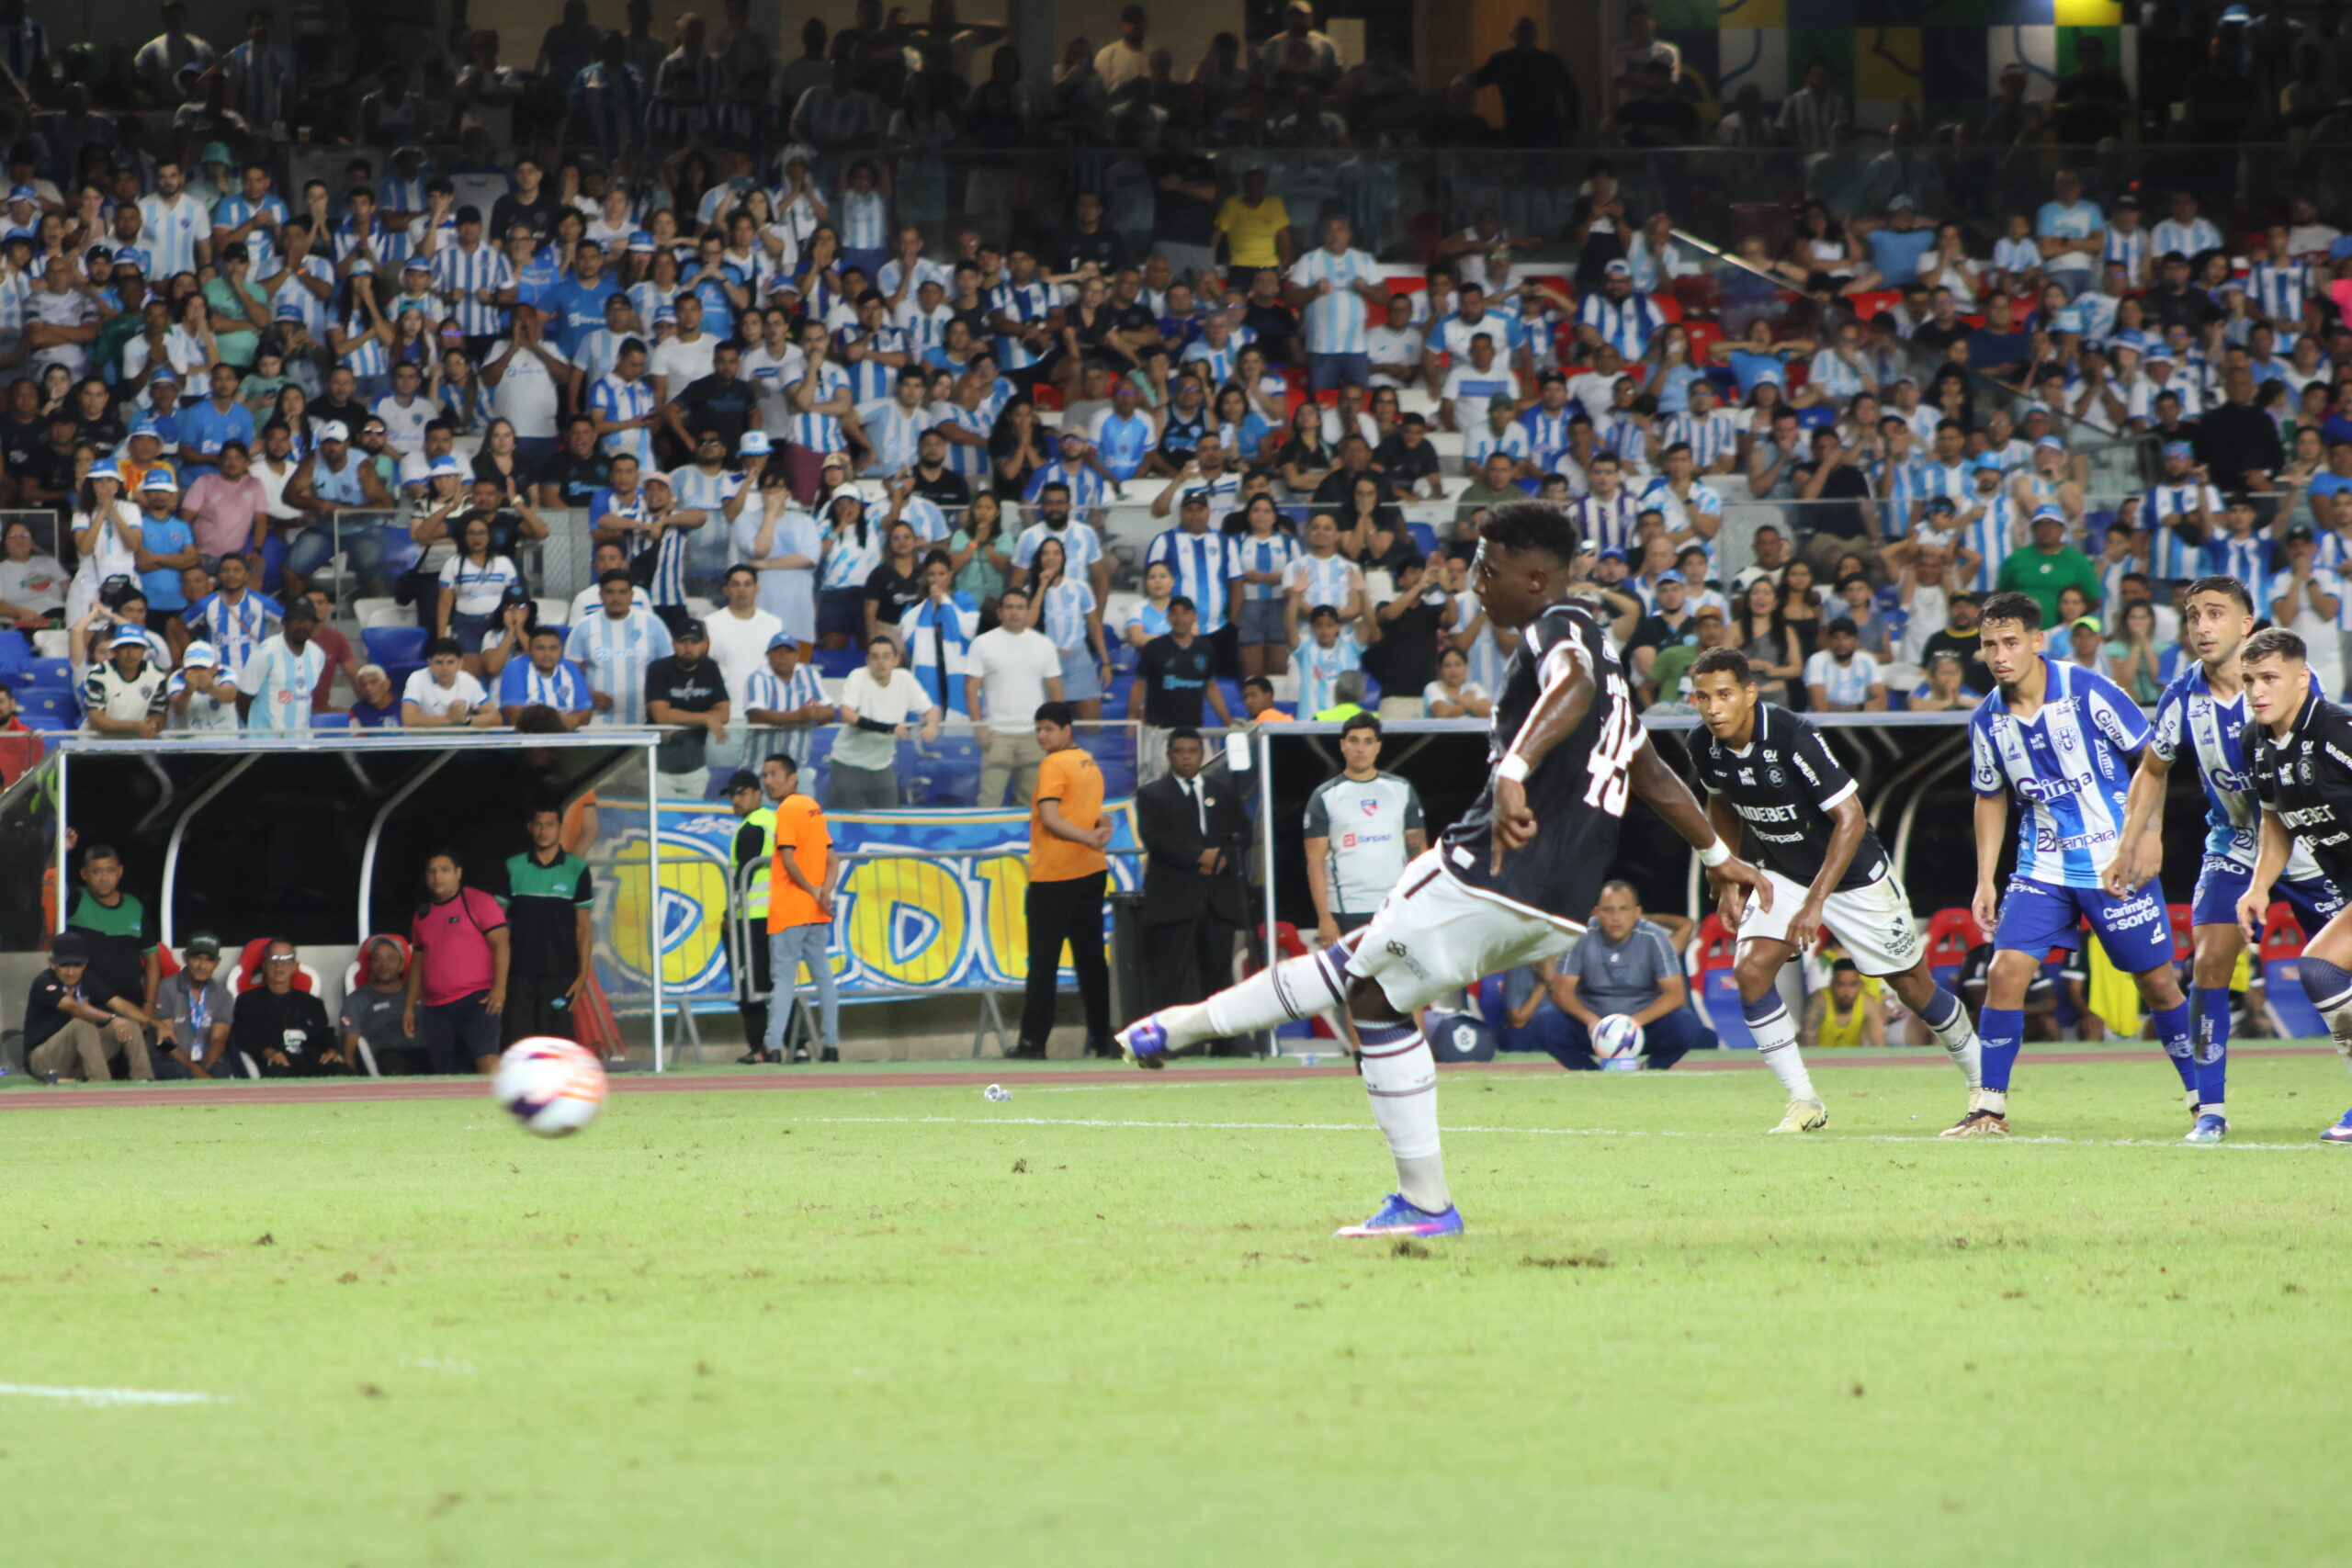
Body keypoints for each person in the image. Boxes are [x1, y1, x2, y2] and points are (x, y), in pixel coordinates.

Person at [1119, 502, 1770, 1238]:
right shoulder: (1611, 663)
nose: (1475, 583)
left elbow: (1573, 682)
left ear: (1535, 578)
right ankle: (1180, 1035)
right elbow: (1648, 771)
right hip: (1561, 905)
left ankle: (1190, 1037)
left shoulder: (1559, 629)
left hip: (1487, 871)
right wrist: (1719, 856)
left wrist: (1515, 770)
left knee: (1355, 982)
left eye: (1488, 569)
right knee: (1369, 992)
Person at [1688, 648, 1985, 1130]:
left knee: (1914, 988)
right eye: (1702, 697)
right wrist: (1726, 875)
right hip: (1782, 871)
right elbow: (1719, 802)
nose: (1713, 708)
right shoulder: (1703, 744)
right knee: (1750, 970)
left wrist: (1815, 902)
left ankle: (1984, 1082)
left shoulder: (1792, 736)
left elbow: (1851, 818)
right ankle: (1804, 1101)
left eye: (1724, 695)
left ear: (1749, 693)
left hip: (1853, 875)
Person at [2106, 578, 2346, 1145]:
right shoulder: (2182, 696)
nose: (2202, 626)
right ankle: (2209, 1110)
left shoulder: (2291, 686)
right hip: (2236, 845)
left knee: (2335, 971)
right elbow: (2153, 768)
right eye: (2193, 615)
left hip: (2313, 848)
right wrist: (2137, 839)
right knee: (2209, 962)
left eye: (2215, 613)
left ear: (2246, 623)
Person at [1959, 591, 2191, 1138]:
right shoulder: (1986, 719)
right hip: (2041, 867)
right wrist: (1985, 878)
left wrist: (2149, 836)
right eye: (1989, 645)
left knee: (2158, 985)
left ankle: (2204, 1098)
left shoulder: (2088, 690)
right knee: (2003, 972)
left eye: (2010, 642)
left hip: (2115, 859)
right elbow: (1989, 796)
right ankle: (1989, 1108)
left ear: (2038, 641)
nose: (1999, 655)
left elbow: (2152, 760)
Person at [1136, 728, 1251, 1049]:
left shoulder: (1223, 792)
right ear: (1169, 755)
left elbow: (1243, 834)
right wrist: (1199, 856)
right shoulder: (1152, 795)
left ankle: (1224, 1045)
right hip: (1174, 899)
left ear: (1202, 754)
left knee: (1218, 976)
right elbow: (1156, 838)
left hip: (1217, 899)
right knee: (1168, 977)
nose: (1186, 757)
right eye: (1179, 751)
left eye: (1192, 751)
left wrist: (1223, 858)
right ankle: (1166, 1043)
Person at [1016, 701, 1114, 1060]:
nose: (1042, 736)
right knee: (1091, 962)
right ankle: (1103, 1039)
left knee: (1044, 964)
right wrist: (1097, 832)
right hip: (1091, 871)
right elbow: (1095, 814)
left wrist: (1087, 836)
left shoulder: (1053, 763)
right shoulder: (1088, 761)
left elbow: (1050, 816)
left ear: (1066, 729)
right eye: (1038, 729)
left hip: (1055, 874)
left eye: (1048, 729)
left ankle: (1033, 1043)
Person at [1538, 881, 1716, 1069]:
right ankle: (1589, 1072)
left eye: (1624, 909)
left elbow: (1675, 995)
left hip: (1644, 1027)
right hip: (1592, 1028)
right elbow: (1561, 992)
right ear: (1597, 912)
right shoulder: (1580, 935)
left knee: (1686, 1023)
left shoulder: (1654, 937)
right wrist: (1592, 1021)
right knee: (1545, 1021)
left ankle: (1651, 1070)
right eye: (1608, 910)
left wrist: (1634, 1023)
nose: (1616, 917)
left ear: (1637, 912)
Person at [1302, 712, 1426, 946]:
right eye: (1354, 741)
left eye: (1368, 741)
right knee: (1351, 972)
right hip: (1346, 910)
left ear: (1378, 747)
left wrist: (1419, 904)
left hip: (1395, 906)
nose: (1361, 749)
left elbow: (1419, 856)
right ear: (1342, 745)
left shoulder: (1401, 790)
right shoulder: (1325, 796)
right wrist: (1324, 918)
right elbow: (1315, 863)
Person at [762, 751, 842, 1064]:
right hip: (816, 911)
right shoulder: (813, 808)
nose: (768, 781)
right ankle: (831, 1046)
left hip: (789, 910)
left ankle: (773, 1046)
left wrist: (812, 890)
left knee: (784, 979)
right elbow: (833, 859)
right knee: (823, 977)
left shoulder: (787, 810)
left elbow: (788, 860)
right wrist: (824, 892)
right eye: (765, 775)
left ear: (792, 778)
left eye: (774, 775)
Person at [404, 850, 511, 1076]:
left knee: (488, 1061)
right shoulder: (422, 914)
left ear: (458, 873)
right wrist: (409, 1006)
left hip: (477, 1000)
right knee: (446, 1075)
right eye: (432, 871)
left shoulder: (479, 901)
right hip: (436, 1008)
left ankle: (495, 1101)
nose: (437, 876)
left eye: (444, 870)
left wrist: (499, 990)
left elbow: (501, 944)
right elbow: (417, 962)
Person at [499, 805, 596, 1048]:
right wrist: (498, 977)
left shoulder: (577, 869)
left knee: (557, 1046)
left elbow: (583, 927)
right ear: (530, 827)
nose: (544, 831)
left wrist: (583, 974)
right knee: (518, 1045)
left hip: (560, 975)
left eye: (550, 825)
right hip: (519, 975)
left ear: (561, 829)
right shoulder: (513, 866)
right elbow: (498, 926)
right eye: (539, 824)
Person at [964, 584, 1063, 807]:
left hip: (1035, 734)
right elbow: (970, 689)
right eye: (1009, 607)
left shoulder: (1044, 644)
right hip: (996, 734)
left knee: (1031, 802)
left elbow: (1055, 689)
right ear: (1000, 612)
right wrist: (979, 727)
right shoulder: (982, 643)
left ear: (1028, 611)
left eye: (1020, 607)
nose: (1015, 612)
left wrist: (1052, 728)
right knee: (989, 801)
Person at [22, 931, 154, 1083]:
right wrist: (112, 1018)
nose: (71, 972)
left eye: (77, 965)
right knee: (82, 1023)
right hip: (43, 1060)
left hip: (77, 1059)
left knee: (129, 1025)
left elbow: (118, 1003)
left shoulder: (88, 980)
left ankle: (144, 1079)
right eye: (64, 965)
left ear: (84, 964)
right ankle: (100, 1082)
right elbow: (74, 1008)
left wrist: (154, 1023)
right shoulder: (44, 981)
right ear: (52, 963)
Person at [830, 634, 936, 808]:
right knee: (851, 819)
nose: (881, 662)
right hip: (848, 764)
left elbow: (931, 710)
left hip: (882, 765)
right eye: (875, 657)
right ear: (868, 661)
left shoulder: (905, 678)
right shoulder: (857, 676)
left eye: (886, 657)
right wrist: (888, 728)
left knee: (889, 818)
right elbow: (846, 714)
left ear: (896, 660)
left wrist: (931, 725)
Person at [644, 617, 730, 796]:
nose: (688, 648)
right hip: (660, 768)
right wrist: (706, 718)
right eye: (683, 642)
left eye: (694, 642)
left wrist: (678, 717)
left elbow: (724, 713)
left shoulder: (710, 667)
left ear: (703, 644)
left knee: (694, 814)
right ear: (674, 643)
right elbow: (661, 716)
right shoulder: (658, 668)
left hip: (696, 767)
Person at [153, 929, 235, 1078]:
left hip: (205, 1061)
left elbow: (219, 1039)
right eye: (197, 958)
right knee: (180, 1072)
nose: (202, 966)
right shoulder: (166, 988)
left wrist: (205, 1067)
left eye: (209, 960)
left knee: (221, 1071)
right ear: (185, 957)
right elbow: (165, 1041)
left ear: (217, 963)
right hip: (170, 1059)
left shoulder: (223, 995)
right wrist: (195, 1071)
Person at [341, 934, 424, 1075]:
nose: (384, 964)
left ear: (401, 965)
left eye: (390, 958)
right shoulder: (356, 999)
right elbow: (349, 1051)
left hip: (425, 1053)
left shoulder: (417, 992)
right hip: (388, 1059)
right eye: (377, 959)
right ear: (370, 965)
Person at [401, 637, 500, 728]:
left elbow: (496, 718)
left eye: (450, 662)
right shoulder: (417, 678)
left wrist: (466, 720)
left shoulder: (467, 680)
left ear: (460, 663)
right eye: (439, 662)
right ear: (430, 663)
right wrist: (450, 720)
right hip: (426, 739)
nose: (445, 668)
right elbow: (409, 720)